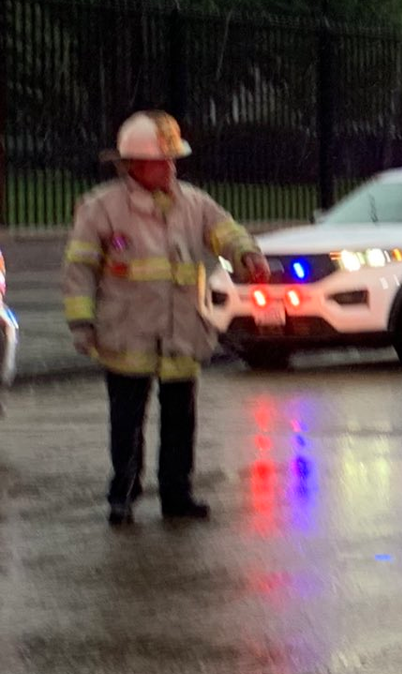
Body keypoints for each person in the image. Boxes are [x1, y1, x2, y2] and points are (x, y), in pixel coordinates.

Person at [62, 112, 267, 525]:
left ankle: (177, 495)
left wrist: (246, 254)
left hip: (181, 333)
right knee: (127, 421)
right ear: (134, 165)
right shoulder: (102, 208)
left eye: (173, 159)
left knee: (180, 420)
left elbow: (225, 231)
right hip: (128, 333)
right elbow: (79, 269)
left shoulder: (193, 202)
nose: (171, 167)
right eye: (162, 160)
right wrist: (82, 324)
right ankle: (123, 496)